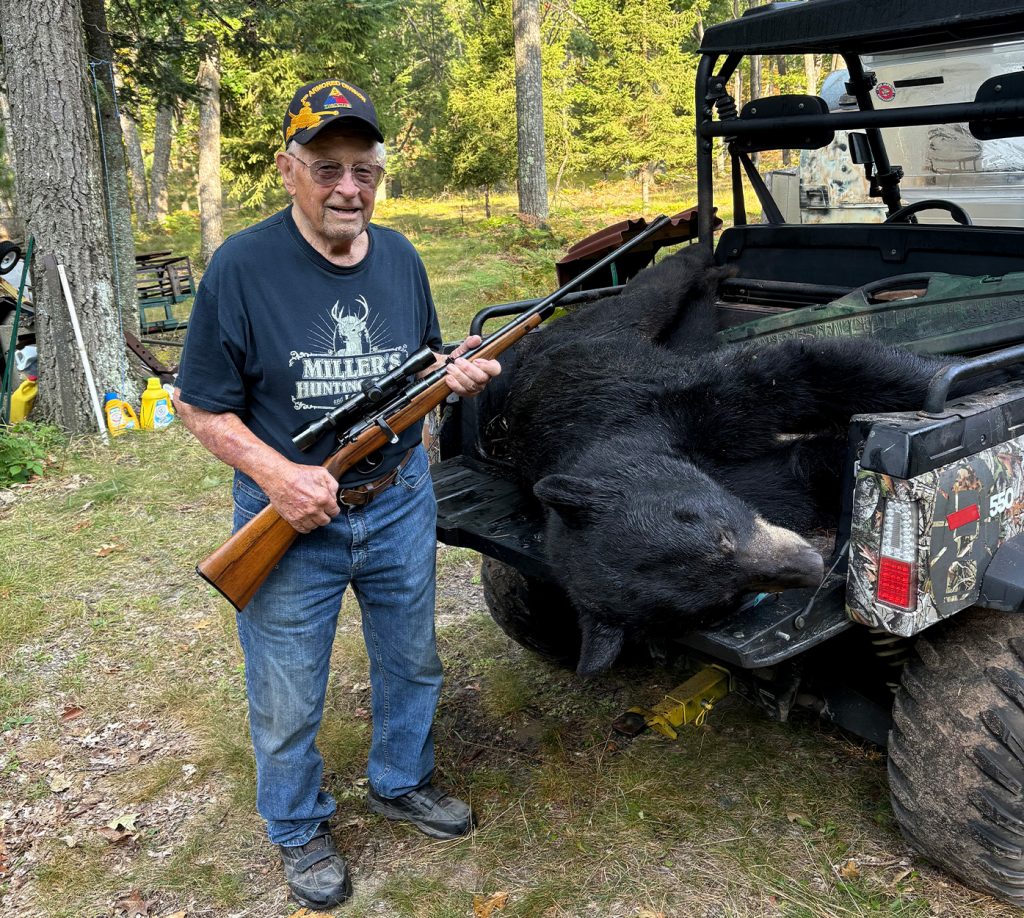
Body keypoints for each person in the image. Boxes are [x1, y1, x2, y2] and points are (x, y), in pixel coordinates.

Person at [174, 78, 501, 910]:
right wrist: (278, 477)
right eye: (326, 168)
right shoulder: (240, 267)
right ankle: (296, 826)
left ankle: (402, 780)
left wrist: (450, 373)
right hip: (288, 517)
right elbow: (199, 404)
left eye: (364, 168)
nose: (348, 188)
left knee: (412, 660)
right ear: (290, 171)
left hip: (397, 500)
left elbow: (419, 365)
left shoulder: (400, 257)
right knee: (286, 692)